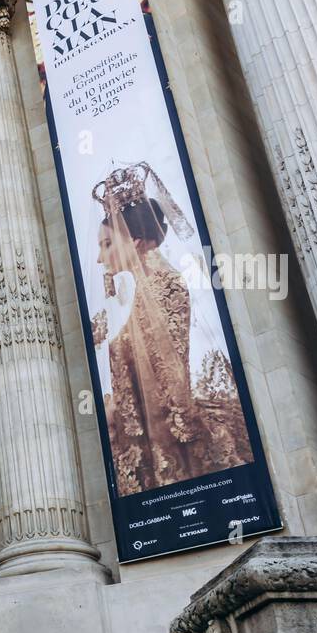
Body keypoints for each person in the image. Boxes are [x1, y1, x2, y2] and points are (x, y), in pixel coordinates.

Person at [91, 163, 251, 494]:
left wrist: (114, 404)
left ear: (134, 241)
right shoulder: (116, 295)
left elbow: (168, 370)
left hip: (165, 430)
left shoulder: (166, 285)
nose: (99, 258)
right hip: (128, 433)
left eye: (107, 244)